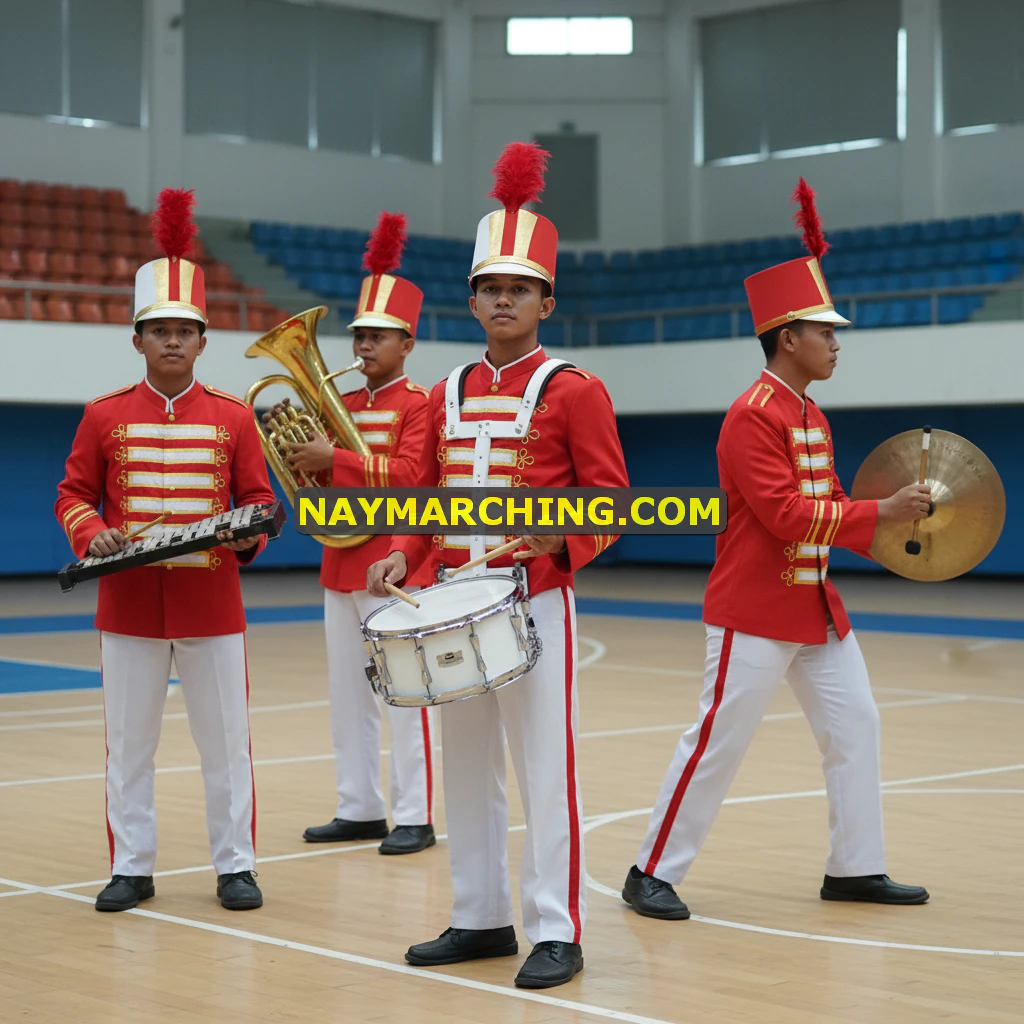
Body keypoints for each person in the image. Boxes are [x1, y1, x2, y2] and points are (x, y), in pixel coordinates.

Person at [622, 179, 932, 921]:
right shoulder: (749, 417)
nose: (835, 342)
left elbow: (813, 513)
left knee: (857, 725)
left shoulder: (807, 414)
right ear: (786, 336)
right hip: (754, 610)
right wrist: (880, 514)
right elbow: (790, 516)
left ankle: (855, 869)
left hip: (815, 609)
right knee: (718, 741)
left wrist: (870, 517)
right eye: (825, 331)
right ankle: (650, 870)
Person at [367, 142, 630, 989]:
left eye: (520, 287)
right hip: (451, 602)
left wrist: (566, 537)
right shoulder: (441, 393)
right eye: (491, 286)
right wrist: (402, 559)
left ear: (546, 299)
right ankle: (479, 916)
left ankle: (556, 927)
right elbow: (419, 498)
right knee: (468, 766)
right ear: (473, 297)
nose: (504, 299)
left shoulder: (576, 388)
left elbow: (614, 501)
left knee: (544, 769)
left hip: (535, 603)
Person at [54, 189, 275, 913]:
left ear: (203, 341)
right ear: (137, 339)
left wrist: (250, 534)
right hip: (127, 611)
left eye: (185, 330)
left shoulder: (236, 418)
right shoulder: (102, 414)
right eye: (159, 330)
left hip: (212, 605)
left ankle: (235, 864)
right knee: (129, 748)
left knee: (227, 748)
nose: (173, 341)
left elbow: (258, 503)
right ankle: (133, 866)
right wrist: (94, 534)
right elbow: (73, 495)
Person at [274, 212, 436, 854]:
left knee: (407, 692)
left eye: (380, 337)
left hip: (394, 561)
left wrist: (331, 459)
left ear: (408, 345)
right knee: (348, 695)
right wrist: (300, 463)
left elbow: (413, 480)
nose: (364, 347)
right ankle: (360, 805)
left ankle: (417, 813)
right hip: (340, 561)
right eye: (360, 336)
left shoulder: (418, 404)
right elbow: (324, 485)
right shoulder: (341, 405)